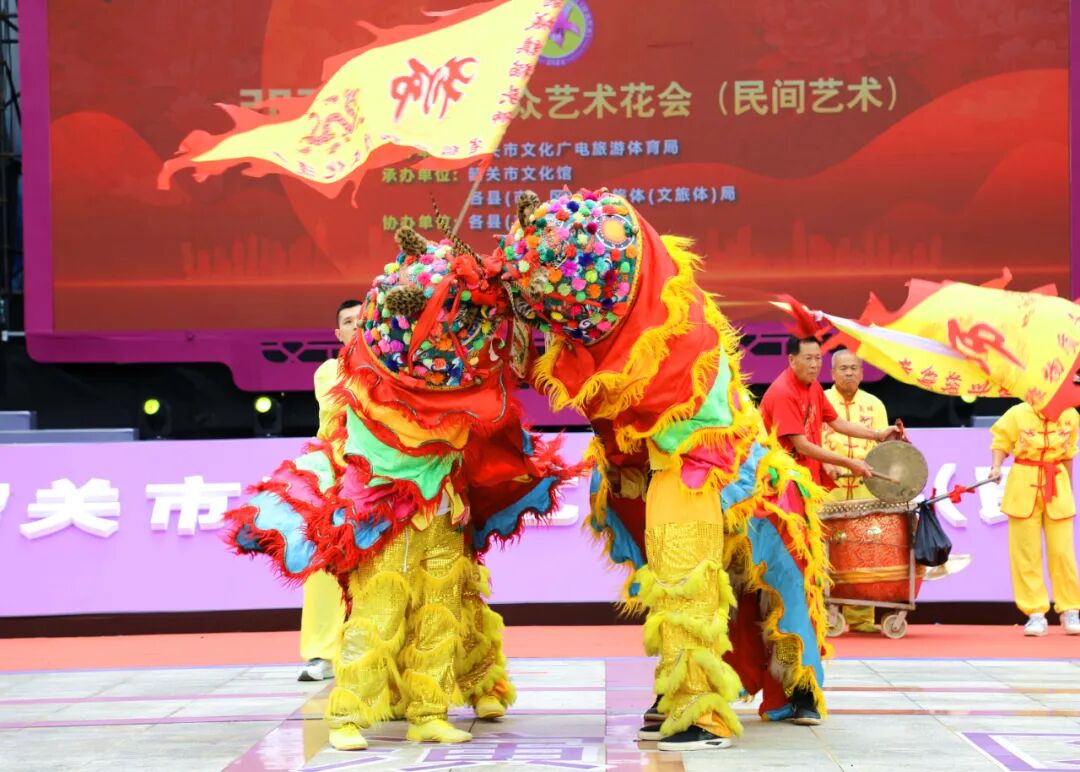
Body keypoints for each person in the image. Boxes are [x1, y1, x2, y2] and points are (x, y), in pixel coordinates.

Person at [500, 188, 832, 751]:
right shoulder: (593, 338)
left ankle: (741, 699)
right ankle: (680, 687)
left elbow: (658, 402)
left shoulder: (681, 329)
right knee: (670, 584)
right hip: (647, 468)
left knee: (762, 585)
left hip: (710, 462)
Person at [226, 229, 578, 751]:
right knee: (379, 611)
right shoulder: (363, 378)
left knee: (442, 612)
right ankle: (347, 715)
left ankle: (429, 712)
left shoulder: (460, 381)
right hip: (387, 511)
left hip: (444, 511)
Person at [297, 300, 362, 682]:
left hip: (386, 475)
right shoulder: (329, 371)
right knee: (325, 563)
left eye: (364, 320)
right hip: (337, 476)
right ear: (339, 334)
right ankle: (322, 653)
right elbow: (349, 405)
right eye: (349, 322)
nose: (357, 326)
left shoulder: (399, 369)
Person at [989, 401, 1080, 636]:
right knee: (1025, 553)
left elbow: (1069, 454)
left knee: (1062, 552)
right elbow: (1001, 442)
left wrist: (1068, 489)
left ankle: (1070, 609)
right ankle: (1035, 613)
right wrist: (996, 466)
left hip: (1056, 482)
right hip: (1023, 481)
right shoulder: (1017, 413)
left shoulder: (1070, 414)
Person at [761, 337, 902, 487]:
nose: (814, 365)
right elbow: (802, 446)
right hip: (783, 482)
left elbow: (838, 423)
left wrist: (878, 435)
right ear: (792, 360)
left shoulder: (814, 386)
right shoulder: (783, 393)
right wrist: (848, 462)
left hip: (807, 479)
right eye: (808, 358)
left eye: (818, 358)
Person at [821, 349, 890, 634]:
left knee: (863, 550)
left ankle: (861, 617)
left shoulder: (875, 404)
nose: (849, 372)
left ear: (861, 373)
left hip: (865, 489)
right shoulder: (820, 400)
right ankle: (825, 614)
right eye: (843, 368)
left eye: (854, 368)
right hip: (829, 487)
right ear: (832, 373)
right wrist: (825, 463)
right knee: (825, 551)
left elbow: (884, 448)